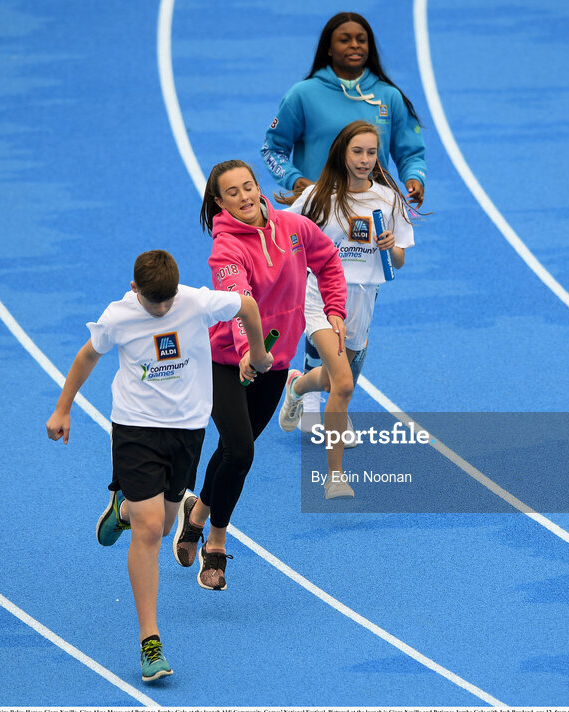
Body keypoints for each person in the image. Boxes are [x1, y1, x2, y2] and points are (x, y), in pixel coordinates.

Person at [45, 250, 271, 682]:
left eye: (168, 300)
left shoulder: (194, 301)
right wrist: (63, 408)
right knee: (151, 531)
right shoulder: (118, 317)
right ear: (135, 291)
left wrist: (258, 353)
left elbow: (246, 305)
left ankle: (123, 509)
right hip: (136, 429)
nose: (164, 309)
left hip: (186, 431)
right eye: (155, 303)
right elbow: (86, 357)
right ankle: (151, 642)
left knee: (164, 525)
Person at [169, 160, 346, 591]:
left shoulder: (294, 227)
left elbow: (328, 263)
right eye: (233, 193)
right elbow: (237, 300)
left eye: (248, 186)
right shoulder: (226, 248)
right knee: (242, 451)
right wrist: (250, 350)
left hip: (276, 363)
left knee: (233, 452)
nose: (245, 197)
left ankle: (194, 515)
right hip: (225, 362)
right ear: (219, 202)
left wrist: (336, 310)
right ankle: (215, 540)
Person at [261, 11, 427, 427]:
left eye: (362, 40)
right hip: (319, 217)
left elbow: (410, 149)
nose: (354, 46)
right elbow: (272, 148)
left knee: (355, 333)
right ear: (328, 46)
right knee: (322, 313)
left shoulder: (387, 96)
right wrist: (295, 180)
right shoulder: (304, 94)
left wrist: (413, 177)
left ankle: (316, 390)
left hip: (368, 224)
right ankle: (329, 406)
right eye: (344, 39)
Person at [275, 120, 414, 499]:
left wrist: (390, 247)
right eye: (358, 151)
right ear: (342, 152)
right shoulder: (320, 196)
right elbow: (286, 236)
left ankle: (298, 385)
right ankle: (335, 475)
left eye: (371, 153)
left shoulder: (388, 200)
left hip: (362, 299)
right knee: (344, 384)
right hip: (320, 296)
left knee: (335, 376)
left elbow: (400, 260)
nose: (365, 160)